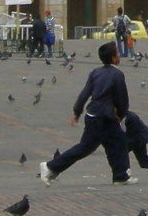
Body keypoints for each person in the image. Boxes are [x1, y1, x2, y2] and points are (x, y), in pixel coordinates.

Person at [42, 43, 135, 184]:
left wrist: (77, 112)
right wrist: (121, 115)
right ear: (113, 58)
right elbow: (122, 99)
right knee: (86, 147)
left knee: (118, 142)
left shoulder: (96, 72)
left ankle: (121, 176)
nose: (119, 55)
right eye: (118, 53)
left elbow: (84, 94)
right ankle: (50, 166)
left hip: (94, 115)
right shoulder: (117, 75)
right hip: (104, 117)